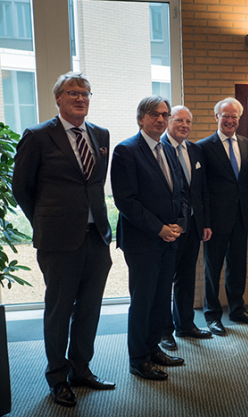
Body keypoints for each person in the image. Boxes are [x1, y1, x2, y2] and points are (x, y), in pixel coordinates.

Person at [13, 72, 115, 407]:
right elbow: (22, 188)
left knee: (89, 308)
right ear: (58, 98)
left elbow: (95, 184)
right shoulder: (38, 135)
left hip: (95, 236)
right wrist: (45, 220)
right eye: (72, 92)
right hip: (58, 240)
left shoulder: (100, 134)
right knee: (59, 311)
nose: (80, 98)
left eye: (85, 93)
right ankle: (57, 378)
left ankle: (81, 369)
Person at [111, 95, 187, 381]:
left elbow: (179, 193)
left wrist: (179, 224)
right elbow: (126, 201)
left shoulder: (167, 150)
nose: (161, 119)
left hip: (170, 238)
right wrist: (159, 228)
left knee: (160, 298)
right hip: (142, 240)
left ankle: (153, 348)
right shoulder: (126, 151)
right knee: (142, 300)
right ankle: (138, 358)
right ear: (141, 118)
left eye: (165, 115)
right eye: (155, 114)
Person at [197, 97, 248, 337]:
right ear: (216, 117)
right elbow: (201, 188)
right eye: (225, 115)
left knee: (238, 267)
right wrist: (204, 221)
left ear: (239, 118)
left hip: (240, 217)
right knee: (212, 269)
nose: (230, 120)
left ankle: (237, 309)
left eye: (234, 116)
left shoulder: (246, 144)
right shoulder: (203, 147)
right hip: (215, 221)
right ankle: (212, 316)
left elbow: (240, 183)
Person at [160, 106, 213, 351]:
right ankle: (164, 331)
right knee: (164, 281)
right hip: (169, 227)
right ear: (168, 121)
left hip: (192, 225)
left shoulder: (195, 149)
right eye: (179, 120)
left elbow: (201, 191)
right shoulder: (159, 148)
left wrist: (204, 223)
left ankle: (185, 324)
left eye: (188, 121)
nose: (184, 125)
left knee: (186, 276)